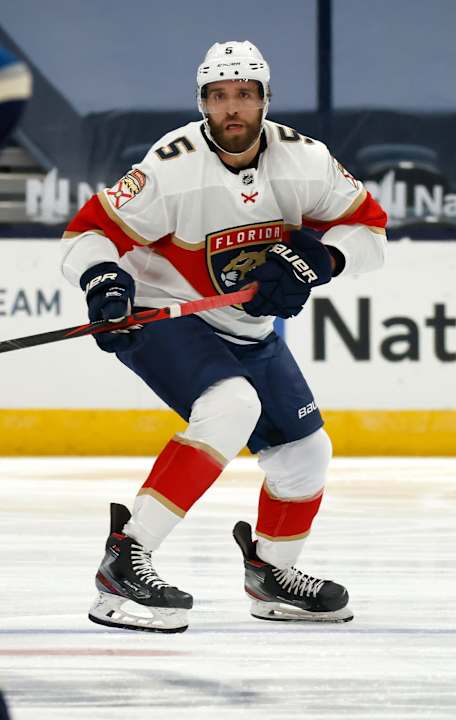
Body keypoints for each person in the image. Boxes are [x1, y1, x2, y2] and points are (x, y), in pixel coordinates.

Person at [61, 40, 387, 633]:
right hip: (165, 311)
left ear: (265, 100)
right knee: (230, 406)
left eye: (244, 95)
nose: (231, 109)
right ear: (202, 104)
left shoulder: (306, 159)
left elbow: (368, 229)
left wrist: (323, 260)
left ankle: (271, 575)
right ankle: (123, 561)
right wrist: (103, 277)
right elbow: (89, 232)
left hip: (246, 326)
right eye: (218, 97)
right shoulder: (172, 167)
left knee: (305, 455)